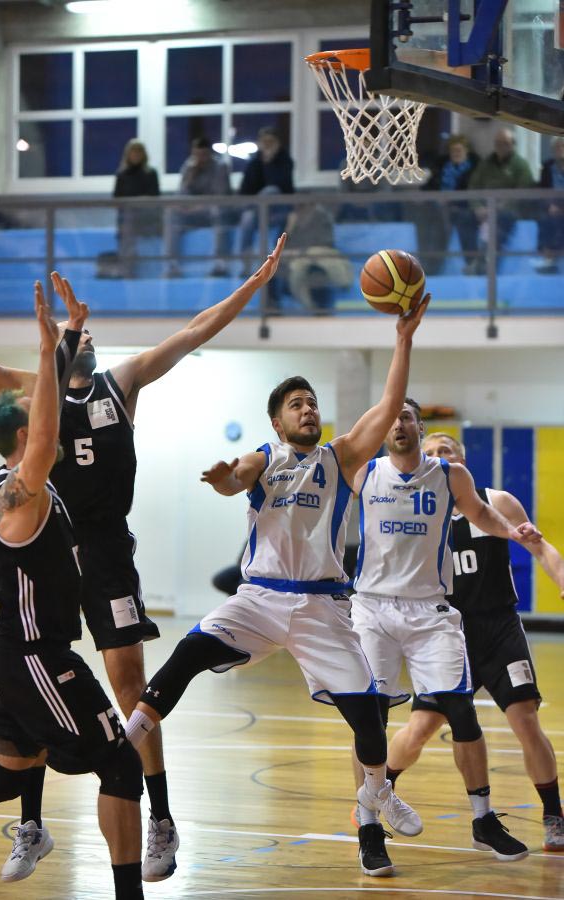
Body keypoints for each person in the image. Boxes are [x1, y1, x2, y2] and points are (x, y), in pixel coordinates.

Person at [0, 235, 286, 883]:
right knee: (37, 676)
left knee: (130, 686)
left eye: (88, 333)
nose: (85, 337)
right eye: (75, 335)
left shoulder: (122, 382)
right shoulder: (35, 392)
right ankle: (32, 824)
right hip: (48, 548)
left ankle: (160, 817)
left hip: (106, 550)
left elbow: (193, 332)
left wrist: (253, 286)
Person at [125, 293, 430, 879]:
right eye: (297, 404)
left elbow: (390, 405)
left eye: (312, 402)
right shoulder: (266, 457)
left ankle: (377, 794)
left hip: (321, 606)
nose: (308, 409)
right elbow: (236, 477)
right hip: (260, 599)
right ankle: (124, 742)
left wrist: (403, 337)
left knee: (370, 720)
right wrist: (223, 479)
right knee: (187, 653)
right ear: (277, 421)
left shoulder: (340, 459)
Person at [0, 281, 145, 900]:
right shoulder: (19, 491)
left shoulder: (30, 486)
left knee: (1, 780)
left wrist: (66, 337)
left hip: (22, 653)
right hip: (37, 657)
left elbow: (45, 418)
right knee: (119, 762)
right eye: (38, 412)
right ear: (24, 436)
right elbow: (43, 436)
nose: (51, 413)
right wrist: (48, 352)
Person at [349, 399, 542, 862]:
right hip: (374, 607)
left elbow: (480, 513)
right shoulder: (364, 472)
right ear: (381, 428)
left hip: (430, 609)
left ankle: (483, 820)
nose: (399, 424)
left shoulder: (449, 475)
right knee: (371, 720)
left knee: (462, 711)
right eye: (392, 417)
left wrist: (512, 531)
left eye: (407, 417)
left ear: (419, 427)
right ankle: (369, 828)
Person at [386, 431, 564, 852]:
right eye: (429, 453)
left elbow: (540, 548)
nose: (438, 457)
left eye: (445, 451)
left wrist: (560, 579)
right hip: (445, 634)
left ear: (462, 461)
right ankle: (379, 790)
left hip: (499, 629)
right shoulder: (413, 512)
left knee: (525, 719)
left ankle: (554, 814)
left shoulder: (496, 502)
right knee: (421, 727)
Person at [465, 127, 535, 274]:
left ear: (513, 144)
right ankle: (471, 260)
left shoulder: (521, 165)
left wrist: (494, 208)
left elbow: (522, 192)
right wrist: (477, 207)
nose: (501, 146)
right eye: (498, 143)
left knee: (501, 220)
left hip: (508, 211)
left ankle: (488, 264)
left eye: (505, 143)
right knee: (463, 218)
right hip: (484, 209)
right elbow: (473, 187)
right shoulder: (485, 164)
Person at [164, 137, 232, 277]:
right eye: (197, 154)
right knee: (171, 213)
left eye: (203, 154)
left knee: (218, 211)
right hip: (192, 213)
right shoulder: (188, 166)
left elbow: (220, 197)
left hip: (213, 212)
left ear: (209, 153)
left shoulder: (220, 167)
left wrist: (198, 206)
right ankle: (172, 264)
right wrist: (191, 176)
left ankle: (220, 263)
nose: (200, 158)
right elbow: (182, 194)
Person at [413, 134, 480, 274]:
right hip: (435, 206)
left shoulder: (474, 169)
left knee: (443, 222)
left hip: (460, 208)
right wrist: (425, 196)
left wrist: (450, 201)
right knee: (423, 216)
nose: (456, 153)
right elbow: (429, 186)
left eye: (459, 150)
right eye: (453, 150)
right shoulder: (442, 166)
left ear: (466, 151)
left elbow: (472, 193)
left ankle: (433, 266)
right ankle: (422, 259)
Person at [238, 127, 294, 274]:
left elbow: (281, 185)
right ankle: (246, 262)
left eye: (271, 142)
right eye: (264, 142)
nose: (267, 145)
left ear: (277, 143)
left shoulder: (285, 161)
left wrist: (269, 163)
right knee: (247, 218)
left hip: (278, 209)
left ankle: (274, 262)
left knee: (270, 191)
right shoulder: (253, 163)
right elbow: (245, 190)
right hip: (256, 210)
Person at [278, 202, 353, 314]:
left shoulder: (322, 216)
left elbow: (325, 244)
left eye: (302, 205)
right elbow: (281, 249)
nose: (298, 208)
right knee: (285, 271)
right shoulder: (290, 219)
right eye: (297, 205)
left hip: (321, 257)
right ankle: (274, 310)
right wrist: (289, 229)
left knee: (317, 273)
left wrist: (301, 251)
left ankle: (322, 308)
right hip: (297, 262)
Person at [113, 139, 161, 278]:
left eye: (139, 152)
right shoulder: (122, 175)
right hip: (128, 218)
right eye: (133, 152)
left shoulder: (151, 173)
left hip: (147, 217)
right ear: (128, 154)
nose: (136, 155)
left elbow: (155, 197)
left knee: (130, 219)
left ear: (143, 154)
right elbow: (117, 199)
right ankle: (127, 270)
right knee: (128, 220)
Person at [534, 136, 564, 274]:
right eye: (557, 147)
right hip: (552, 205)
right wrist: (549, 205)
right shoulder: (547, 167)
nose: (560, 149)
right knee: (544, 218)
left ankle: (553, 259)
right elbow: (541, 190)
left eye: (562, 146)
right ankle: (547, 258)